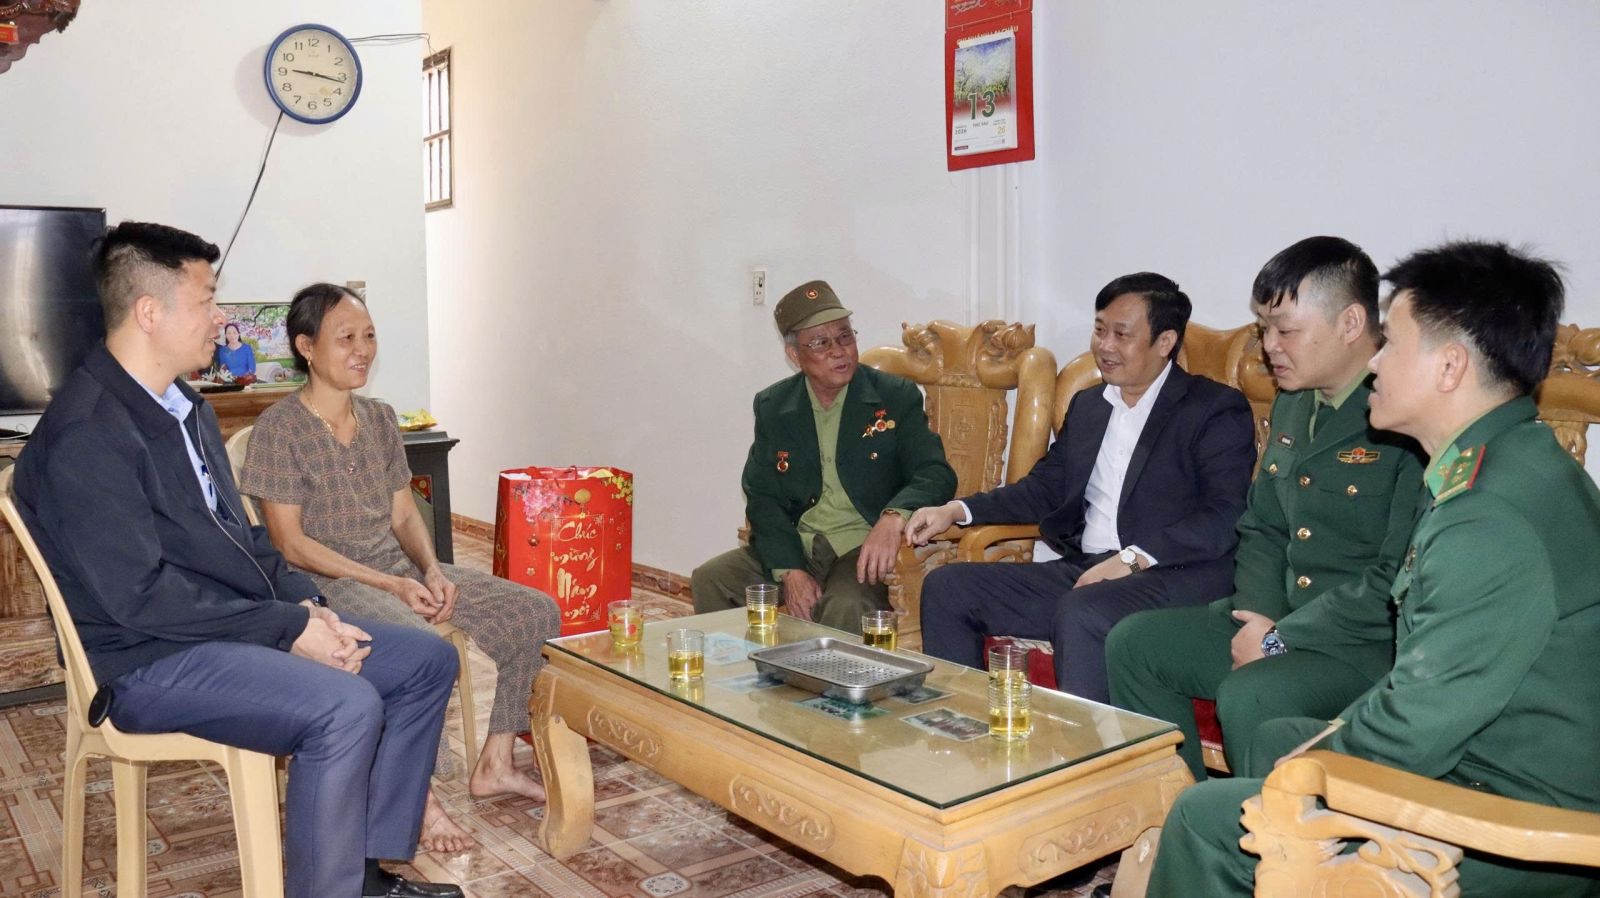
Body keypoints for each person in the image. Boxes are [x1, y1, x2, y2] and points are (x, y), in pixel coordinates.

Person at [12, 222, 463, 898]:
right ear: (150, 312)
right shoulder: (90, 432)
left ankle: (364, 871)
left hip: (219, 626)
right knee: (345, 706)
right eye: (207, 300)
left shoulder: (185, 409)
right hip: (144, 659)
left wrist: (309, 606)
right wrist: (286, 628)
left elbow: (241, 539)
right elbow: (138, 598)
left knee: (425, 661)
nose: (222, 317)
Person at [1145, 240, 1600, 898]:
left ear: (1450, 366)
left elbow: (1416, 728)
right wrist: (1316, 752)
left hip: (1516, 821)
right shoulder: (1512, 462)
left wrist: (1301, 779)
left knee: (1208, 819)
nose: (1376, 361)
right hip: (1489, 760)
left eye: (1394, 345)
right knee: (1278, 739)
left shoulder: (1487, 518)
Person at [241, 283, 562, 854]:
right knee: (419, 649)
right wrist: (390, 584)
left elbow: (403, 511)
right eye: (346, 337)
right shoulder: (279, 429)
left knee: (533, 612)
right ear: (307, 347)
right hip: (326, 583)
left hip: (394, 568)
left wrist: (432, 569)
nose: (362, 349)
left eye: (368, 336)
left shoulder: (381, 418)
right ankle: (419, 799)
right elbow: (289, 545)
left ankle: (496, 761)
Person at [1106, 237, 1425, 781]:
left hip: (1357, 644)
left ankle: (1256, 830)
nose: (1269, 347)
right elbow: (1262, 526)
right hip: (1274, 614)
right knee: (1134, 645)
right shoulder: (1296, 400)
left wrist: (1281, 638)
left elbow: (1395, 579)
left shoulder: (1404, 413)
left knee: (1252, 693)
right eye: (1262, 329)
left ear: (1351, 323)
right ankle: (1176, 807)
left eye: (1285, 330)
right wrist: (1259, 617)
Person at [906, 273, 1255, 701]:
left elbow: (1224, 515)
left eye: (1121, 335)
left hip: (1171, 575)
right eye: (1099, 329)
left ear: (1165, 342)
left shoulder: (1213, 409)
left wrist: (1132, 559)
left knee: (1081, 612)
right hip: (1089, 571)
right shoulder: (1089, 405)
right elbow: (1045, 490)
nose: (1104, 346)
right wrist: (956, 511)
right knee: (948, 588)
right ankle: (967, 724)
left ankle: (1091, 744)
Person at [691, 280, 957, 632]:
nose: (838, 351)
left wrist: (894, 517)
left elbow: (935, 473)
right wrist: (789, 570)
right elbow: (763, 495)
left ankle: (828, 671)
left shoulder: (895, 396)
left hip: (860, 547)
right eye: (820, 343)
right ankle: (742, 666)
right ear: (794, 355)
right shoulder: (774, 406)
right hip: (798, 544)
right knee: (711, 580)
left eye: (845, 336)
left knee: (846, 606)